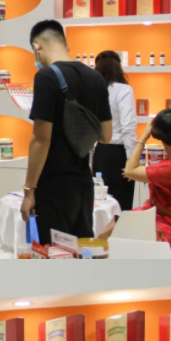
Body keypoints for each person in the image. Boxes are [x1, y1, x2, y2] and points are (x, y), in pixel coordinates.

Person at [21, 20, 113, 245]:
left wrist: (29, 190)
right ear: (65, 43)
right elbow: (106, 135)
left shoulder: (46, 77)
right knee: (81, 249)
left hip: (53, 186)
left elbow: (41, 140)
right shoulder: (96, 78)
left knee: (55, 252)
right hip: (83, 184)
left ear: (37, 46)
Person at [100, 109, 171, 249]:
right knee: (111, 228)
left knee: (121, 236)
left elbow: (129, 171)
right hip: (156, 214)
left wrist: (143, 138)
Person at [93, 51, 138, 211]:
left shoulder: (94, 91)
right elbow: (128, 128)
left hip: (100, 152)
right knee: (121, 205)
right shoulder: (124, 90)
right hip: (118, 155)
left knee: (100, 204)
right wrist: (132, 159)